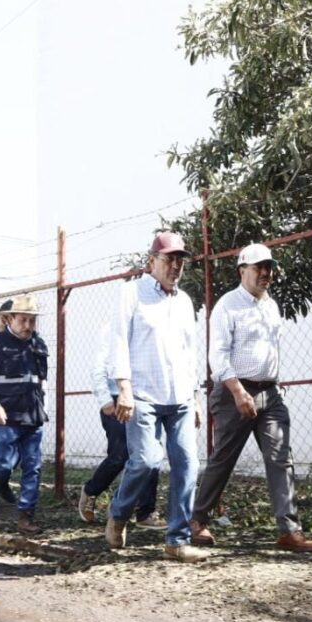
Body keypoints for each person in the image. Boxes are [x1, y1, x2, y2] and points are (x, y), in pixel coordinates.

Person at [189, 243, 312, 553]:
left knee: (280, 459)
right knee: (223, 459)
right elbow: (217, 356)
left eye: (269, 267)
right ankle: (197, 521)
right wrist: (238, 392)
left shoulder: (270, 305)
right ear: (242, 271)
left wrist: (270, 383)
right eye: (259, 267)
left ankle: (289, 531)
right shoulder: (227, 306)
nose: (265, 273)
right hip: (235, 392)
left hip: (269, 393)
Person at [104, 232, 207, 562]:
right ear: (152, 262)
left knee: (188, 465)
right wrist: (124, 389)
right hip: (143, 395)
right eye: (168, 259)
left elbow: (189, 352)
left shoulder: (184, 301)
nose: (175, 266)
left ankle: (176, 541)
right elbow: (118, 341)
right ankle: (119, 513)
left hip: (179, 398)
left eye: (180, 260)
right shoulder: (131, 293)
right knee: (147, 460)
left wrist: (196, 397)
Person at [0, 294, 48, 535]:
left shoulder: (39, 344)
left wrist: (44, 407)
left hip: (33, 415)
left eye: (32, 321)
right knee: (3, 465)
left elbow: (42, 380)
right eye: (23, 320)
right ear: (9, 319)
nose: (28, 326)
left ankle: (26, 516)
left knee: (33, 466)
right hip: (5, 416)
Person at [78, 328, 161, 528]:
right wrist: (104, 399)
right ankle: (91, 490)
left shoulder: (151, 327)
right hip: (115, 400)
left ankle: (145, 512)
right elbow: (99, 367)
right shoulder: (115, 327)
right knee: (120, 454)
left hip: (144, 399)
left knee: (149, 454)